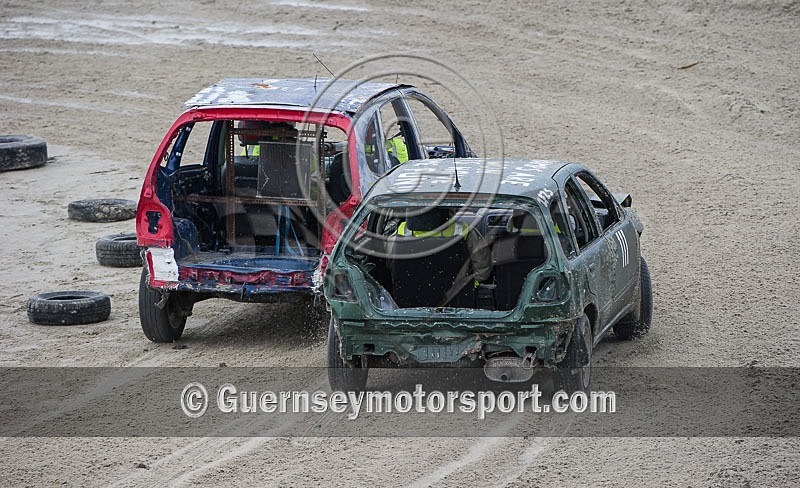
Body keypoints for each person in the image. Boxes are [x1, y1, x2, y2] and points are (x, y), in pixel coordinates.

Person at [394, 207, 492, 284]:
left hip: (407, 303)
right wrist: (469, 284)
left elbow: (391, 265)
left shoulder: (402, 232)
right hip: (457, 302)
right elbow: (483, 265)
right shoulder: (463, 230)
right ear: (448, 210)